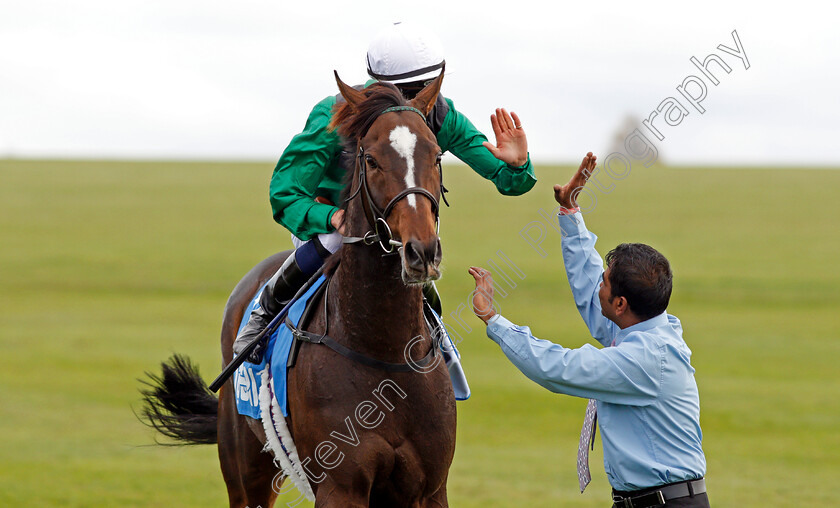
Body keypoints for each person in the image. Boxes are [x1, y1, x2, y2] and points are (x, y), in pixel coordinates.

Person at [233, 22, 536, 362]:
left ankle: (437, 337)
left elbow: (510, 182)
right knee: (336, 242)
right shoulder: (333, 114)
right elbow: (285, 192)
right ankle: (262, 314)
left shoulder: (439, 114)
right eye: (412, 90)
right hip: (338, 224)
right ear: (380, 87)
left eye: (427, 89)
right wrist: (330, 216)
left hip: (406, 223)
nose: (416, 102)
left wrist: (517, 164)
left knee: (424, 260)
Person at [468, 153, 710, 507]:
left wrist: (494, 320)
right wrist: (569, 214)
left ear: (621, 304)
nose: (599, 284)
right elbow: (588, 287)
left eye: (606, 282)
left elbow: (561, 369)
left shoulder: (646, 358)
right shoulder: (639, 329)